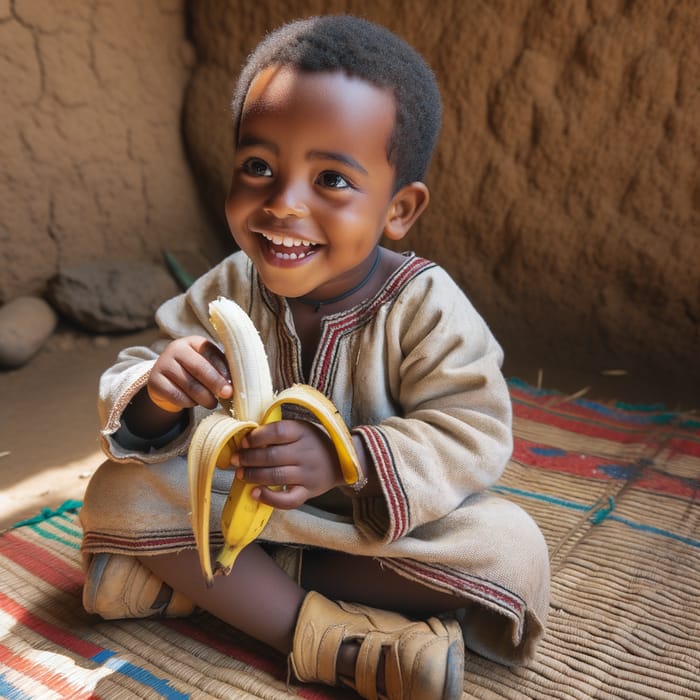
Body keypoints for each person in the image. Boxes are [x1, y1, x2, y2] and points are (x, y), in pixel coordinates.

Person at [79, 15, 549, 700]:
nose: (282, 204)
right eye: (258, 167)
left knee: (512, 549)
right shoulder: (230, 283)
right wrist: (156, 391)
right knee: (118, 490)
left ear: (399, 208)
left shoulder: (425, 306)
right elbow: (138, 386)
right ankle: (330, 642)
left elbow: (474, 429)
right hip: (242, 512)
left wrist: (344, 460)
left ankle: (214, 591)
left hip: (372, 532)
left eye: (331, 178)